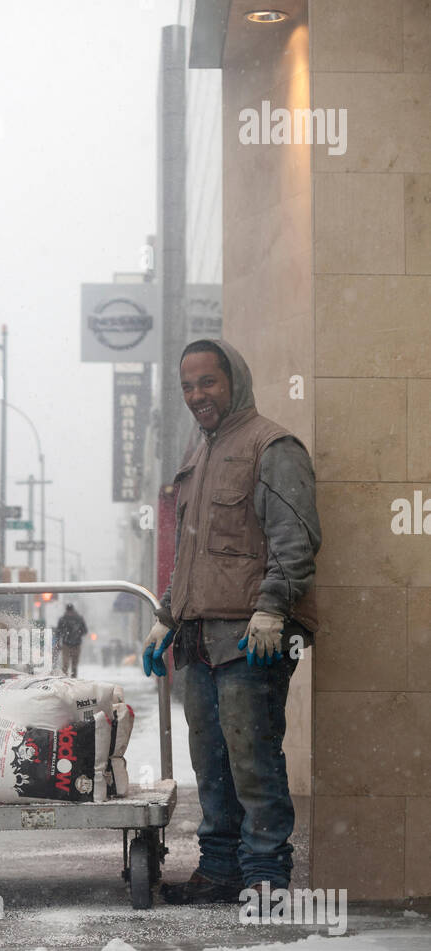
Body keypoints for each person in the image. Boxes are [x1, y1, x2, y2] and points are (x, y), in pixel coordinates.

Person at [143, 339, 321, 906]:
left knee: (253, 760)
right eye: (188, 386)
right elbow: (193, 554)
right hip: (198, 640)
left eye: (208, 383)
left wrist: (273, 606)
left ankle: (265, 877)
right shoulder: (199, 454)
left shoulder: (272, 447)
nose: (197, 395)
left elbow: (296, 541)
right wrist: (166, 617)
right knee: (211, 762)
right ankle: (220, 871)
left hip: (252, 639)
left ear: (234, 381)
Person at [55, 603, 87, 677]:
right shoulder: (79, 619)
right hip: (73, 644)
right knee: (71, 665)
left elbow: (58, 632)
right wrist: (78, 634)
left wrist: (59, 642)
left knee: (69, 665)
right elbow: (84, 631)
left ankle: (67, 679)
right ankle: (70, 678)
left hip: (69, 644)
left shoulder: (63, 619)